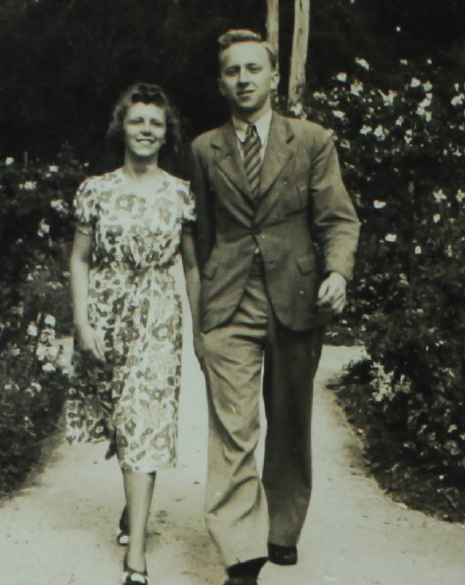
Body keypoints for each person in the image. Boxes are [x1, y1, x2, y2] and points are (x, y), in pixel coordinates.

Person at [189, 30, 360, 585]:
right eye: (232, 71)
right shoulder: (203, 149)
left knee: (289, 422)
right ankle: (242, 553)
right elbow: (204, 235)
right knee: (235, 427)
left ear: (272, 77)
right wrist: (204, 306)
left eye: (253, 69)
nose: (243, 79)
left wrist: (337, 270)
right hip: (230, 299)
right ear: (221, 82)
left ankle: (282, 527)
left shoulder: (311, 140)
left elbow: (337, 217)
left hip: (296, 295)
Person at [67, 82, 201, 585]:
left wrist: (198, 326)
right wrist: (81, 321)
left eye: (156, 123)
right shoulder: (95, 189)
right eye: (137, 120)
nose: (146, 130)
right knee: (119, 423)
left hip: (156, 317)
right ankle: (133, 511)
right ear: (121, 126)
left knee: (144, 420)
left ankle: (136, 559)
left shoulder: (179, 193)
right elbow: (79, 259)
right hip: (105, 313)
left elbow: (190, 267)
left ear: (167, 134)